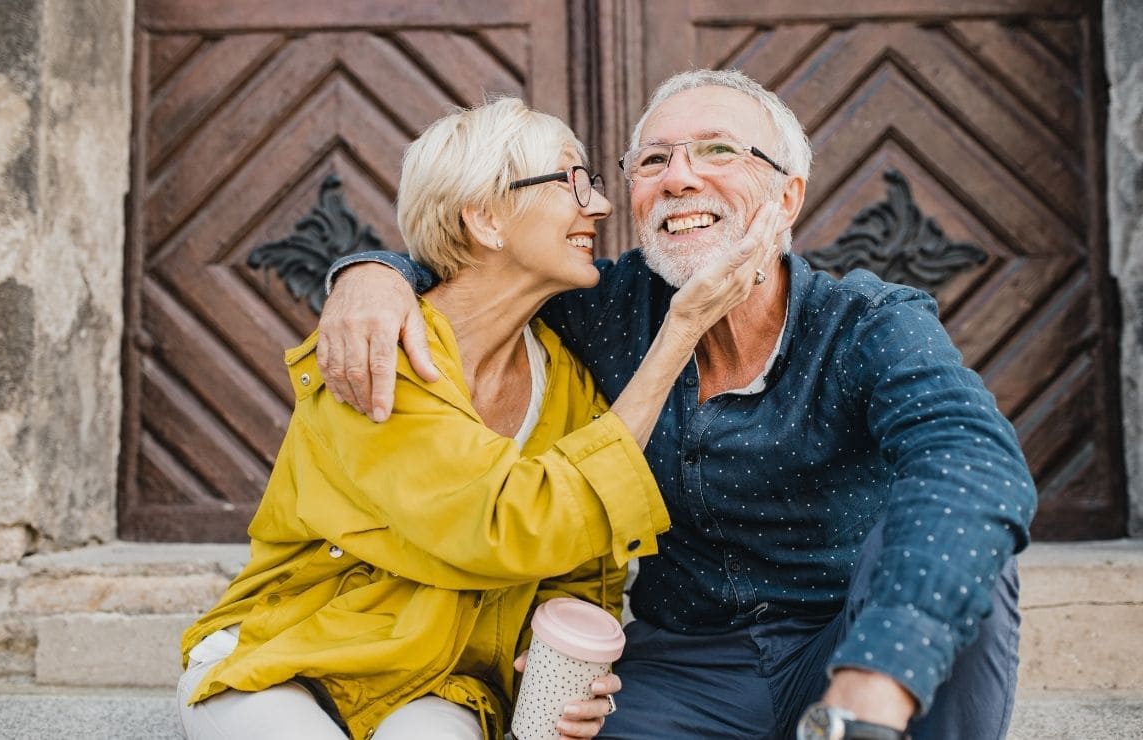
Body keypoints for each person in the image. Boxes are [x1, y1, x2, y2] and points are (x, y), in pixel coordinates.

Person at [317, 69, 1037, 739]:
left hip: (848, 638)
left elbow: (975, 460)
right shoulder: (606, 308)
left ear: (787, 197)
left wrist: (876, 675)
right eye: (652, 163)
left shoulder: (867, 322)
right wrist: (373, 274)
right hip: (685, 666)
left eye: (717, 150)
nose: (678, 179)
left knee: (959, 527)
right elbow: (484, 265)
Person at [177, 97, 782, 740]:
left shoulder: (568, 380)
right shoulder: (380, 359)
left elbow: (582, 569)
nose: (599, 207)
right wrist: (682, 327)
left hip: (445, 678)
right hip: (293, 657)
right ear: (487, 218)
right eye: (571, 181)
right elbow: (507, 523)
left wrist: (563, 663)